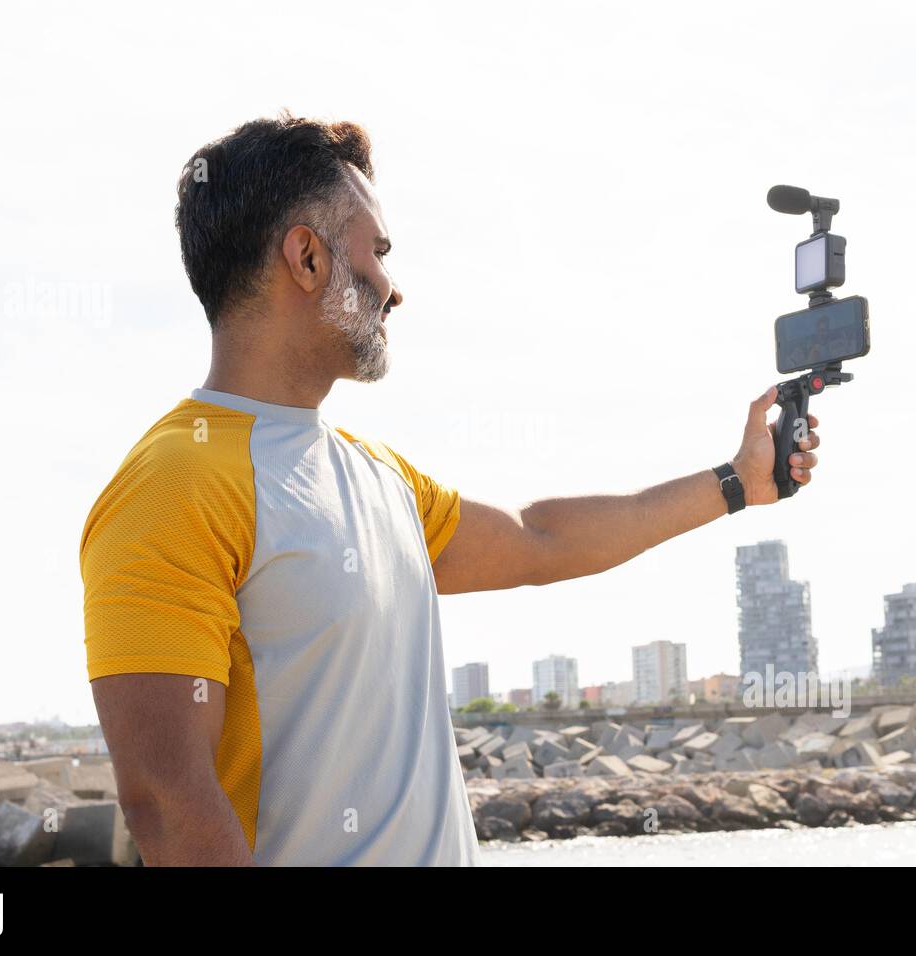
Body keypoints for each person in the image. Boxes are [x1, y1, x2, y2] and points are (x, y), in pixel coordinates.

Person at [80, 112, 821, 866]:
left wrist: (737, 482)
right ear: (305, 257)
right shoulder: (173, 486)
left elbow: (540, 540)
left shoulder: (378, 476)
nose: (392, 289)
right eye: (376, 250)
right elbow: (167, 804)